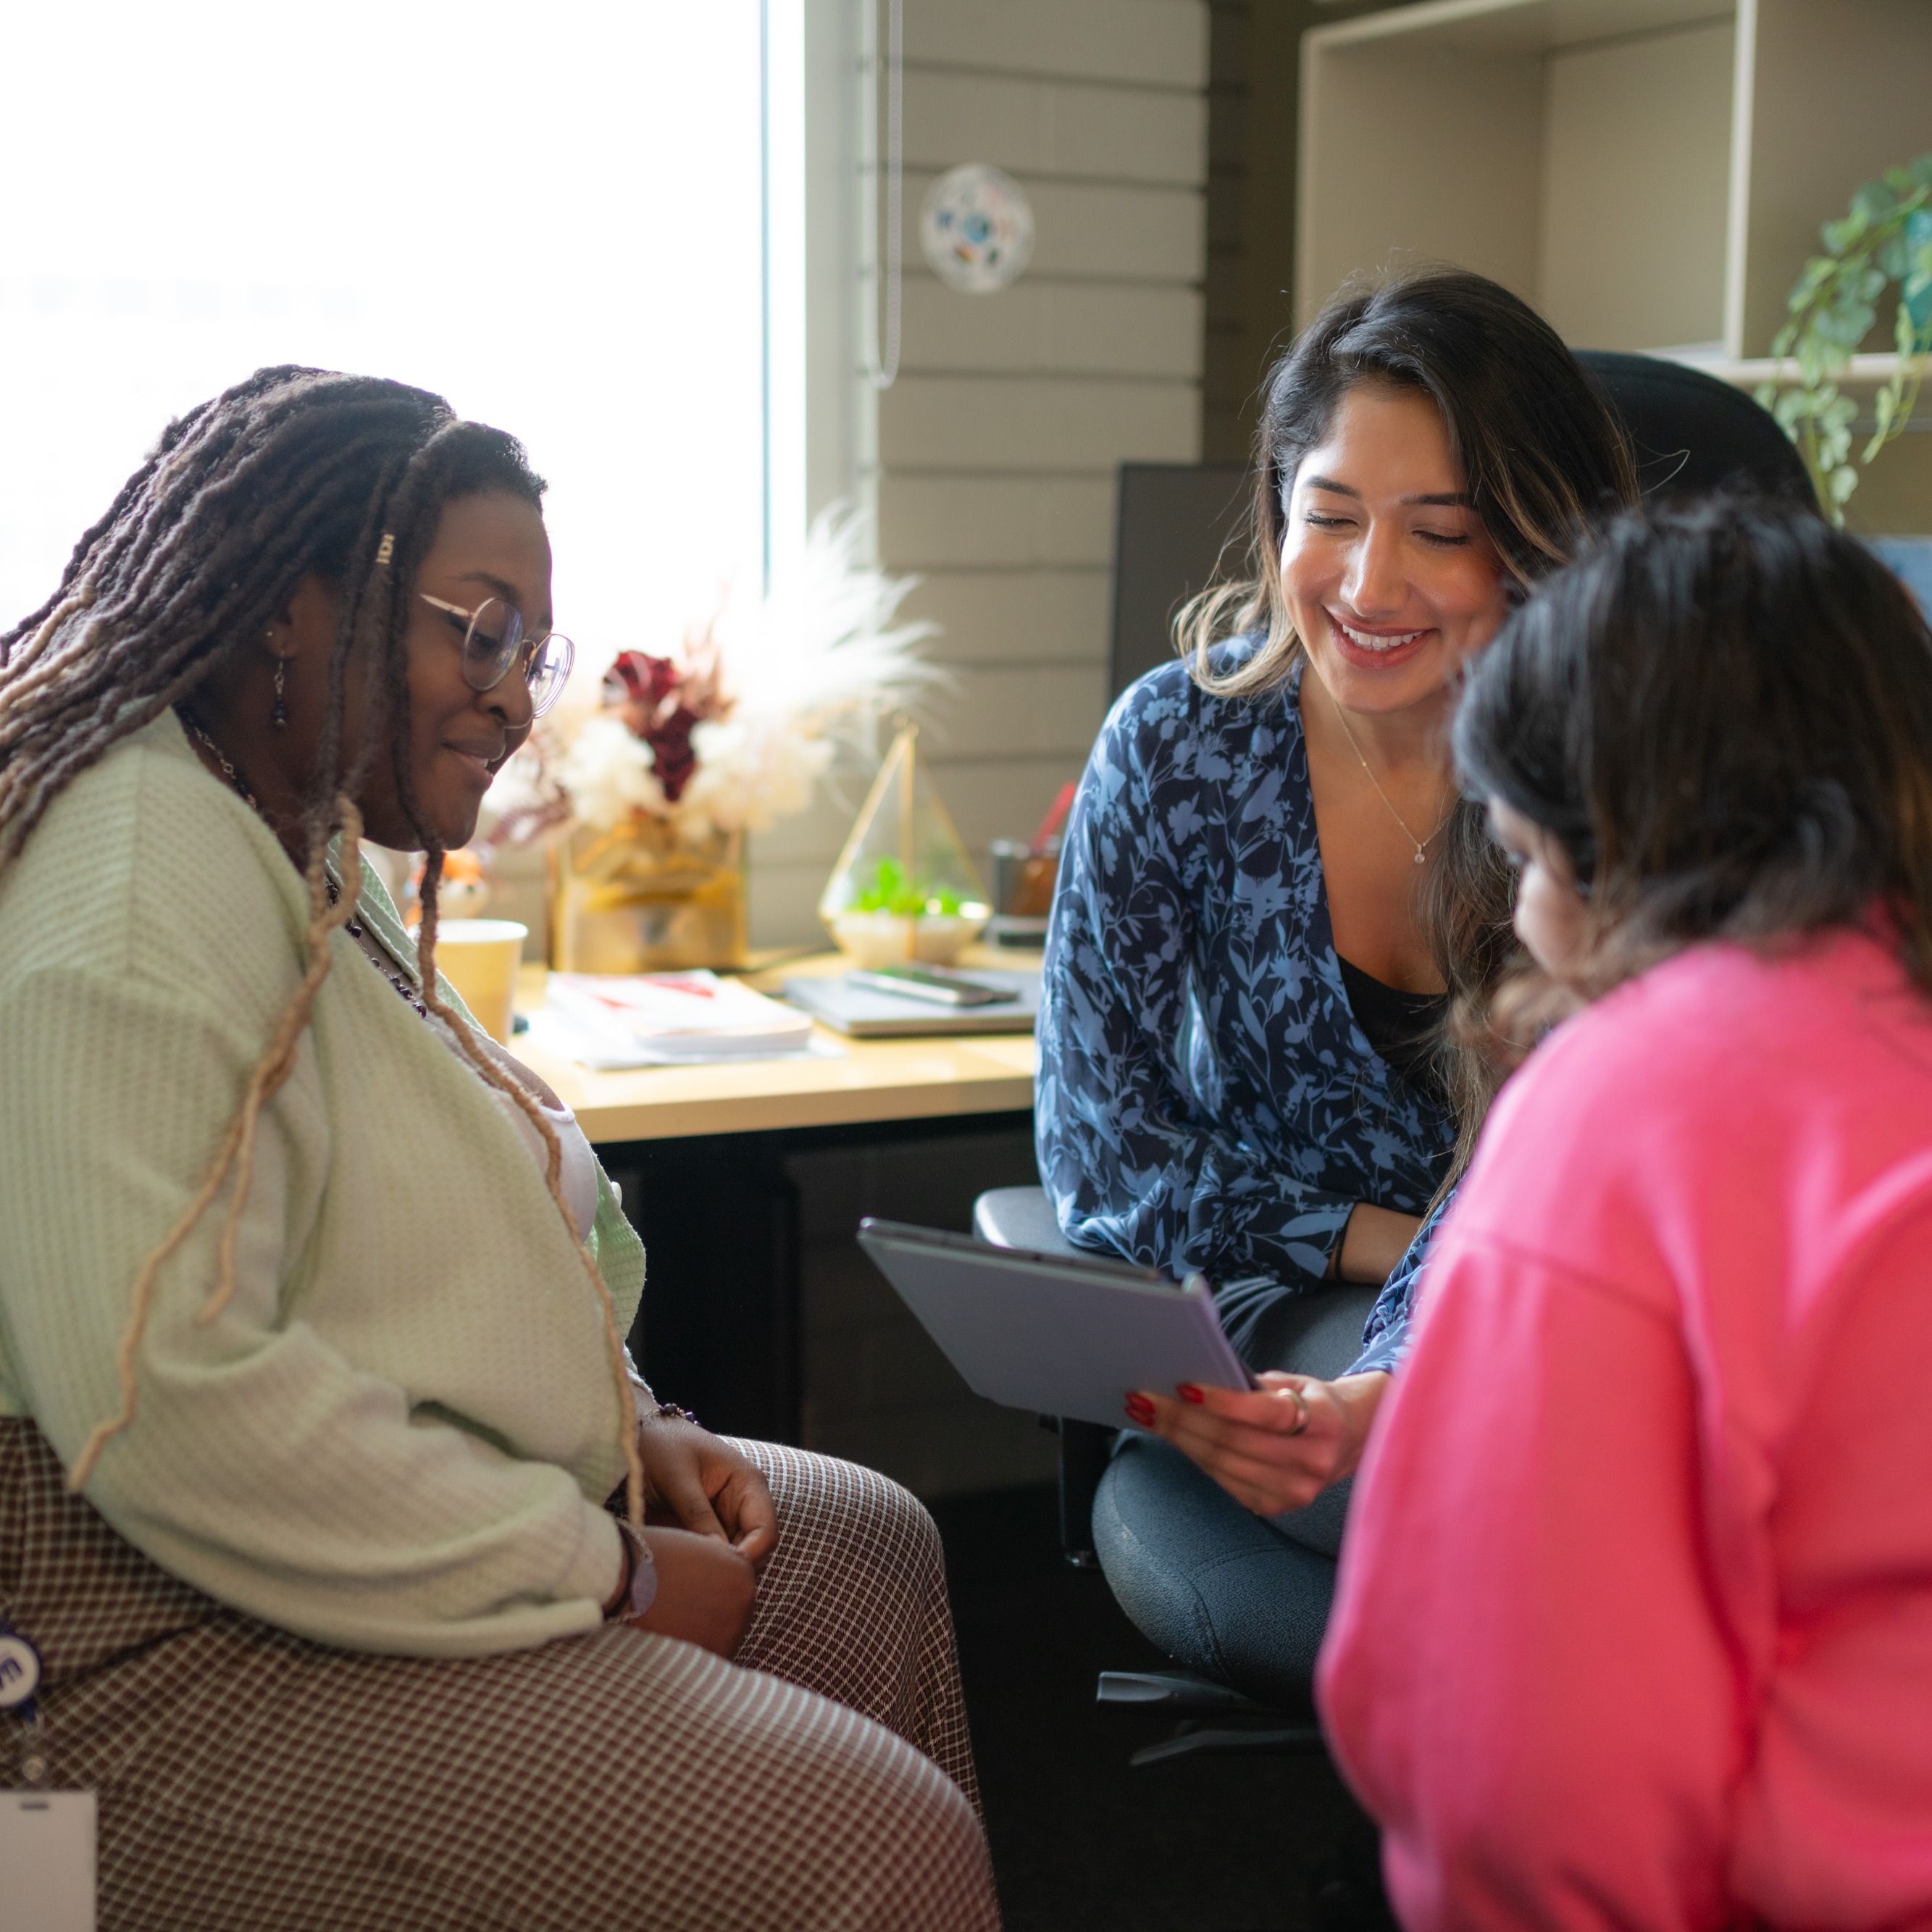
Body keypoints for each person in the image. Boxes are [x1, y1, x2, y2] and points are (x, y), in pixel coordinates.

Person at [0, 367, 998, 1931]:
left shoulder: (292, 825)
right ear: (292, 603)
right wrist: (597, 1566)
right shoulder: (139, 882)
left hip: (280, 1533)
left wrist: (628, 1418)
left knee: (860, 1555)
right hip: (109, 1647)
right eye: (477, 630)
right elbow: (173, 1405)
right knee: (877, 1851)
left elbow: (410, 1230)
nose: (517, 696)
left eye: (535, 648)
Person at [1319, 498, 1932, 1930]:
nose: (1524, 922)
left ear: (1633, 845)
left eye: (1528, 863)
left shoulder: (1626, 1111)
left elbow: (1518, 1773)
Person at [1034, 270, 1636, 1700]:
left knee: (1555, 1477)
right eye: (1330, 515)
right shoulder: (1176, 745)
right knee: (1482, 1499)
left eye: (1440, 531)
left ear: (1535, 549)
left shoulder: (1600, 777)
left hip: (1546, 1299)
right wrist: (1371, 1234)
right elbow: (1097, 1147)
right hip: (1273, 1299)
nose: (1365, 585)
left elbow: (1592, 1147)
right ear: (1276, 507)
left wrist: (1456, 1273)